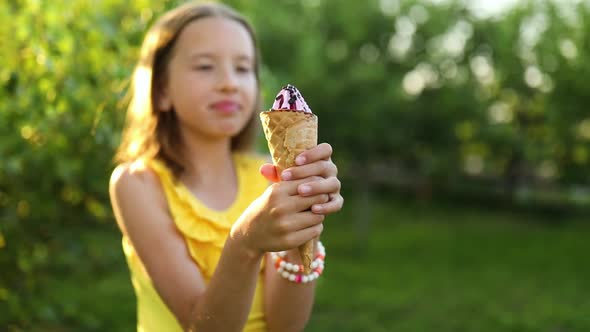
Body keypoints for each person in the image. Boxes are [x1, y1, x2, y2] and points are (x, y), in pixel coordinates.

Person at [108, 1, 343, 331]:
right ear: (161, 91)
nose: (229, 82)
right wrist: (246, 243)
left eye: (243, 68)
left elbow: (286, 326)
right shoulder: (138, 184)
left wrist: (303, 231)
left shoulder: (270, 177)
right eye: (205, 66)